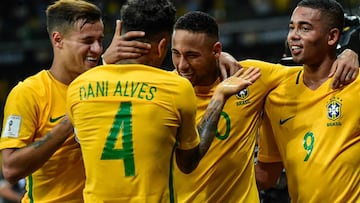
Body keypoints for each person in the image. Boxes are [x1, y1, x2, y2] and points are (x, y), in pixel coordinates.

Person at [103, 10, 359, 203]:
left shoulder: (251, 78)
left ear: (216, 50)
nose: (182, 66)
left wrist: (351, 51)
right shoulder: (164, 89)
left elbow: (311, 72)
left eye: (192, 55)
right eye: (176, 53)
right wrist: (105, 62)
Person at [65, 0, 261, 202]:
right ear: (162, 46)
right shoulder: (175, 87)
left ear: (120, 32)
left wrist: (105, 61)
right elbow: (188, 163)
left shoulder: (77, 88)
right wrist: (218, 97)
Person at [256, 0, 360, 202]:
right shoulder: (276, 96)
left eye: (305, 28)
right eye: (292, 27)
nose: (293, 35)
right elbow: (266, 176)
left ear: (332, 37)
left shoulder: (356, 86)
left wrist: (353, 49)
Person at [0, 0, 104, 202]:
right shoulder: (28, 93)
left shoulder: (103, 87)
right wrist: (69, 121)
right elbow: (11, 168)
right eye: (87, 40)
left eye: (100, 40)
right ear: (58, 40)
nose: (97, 49)